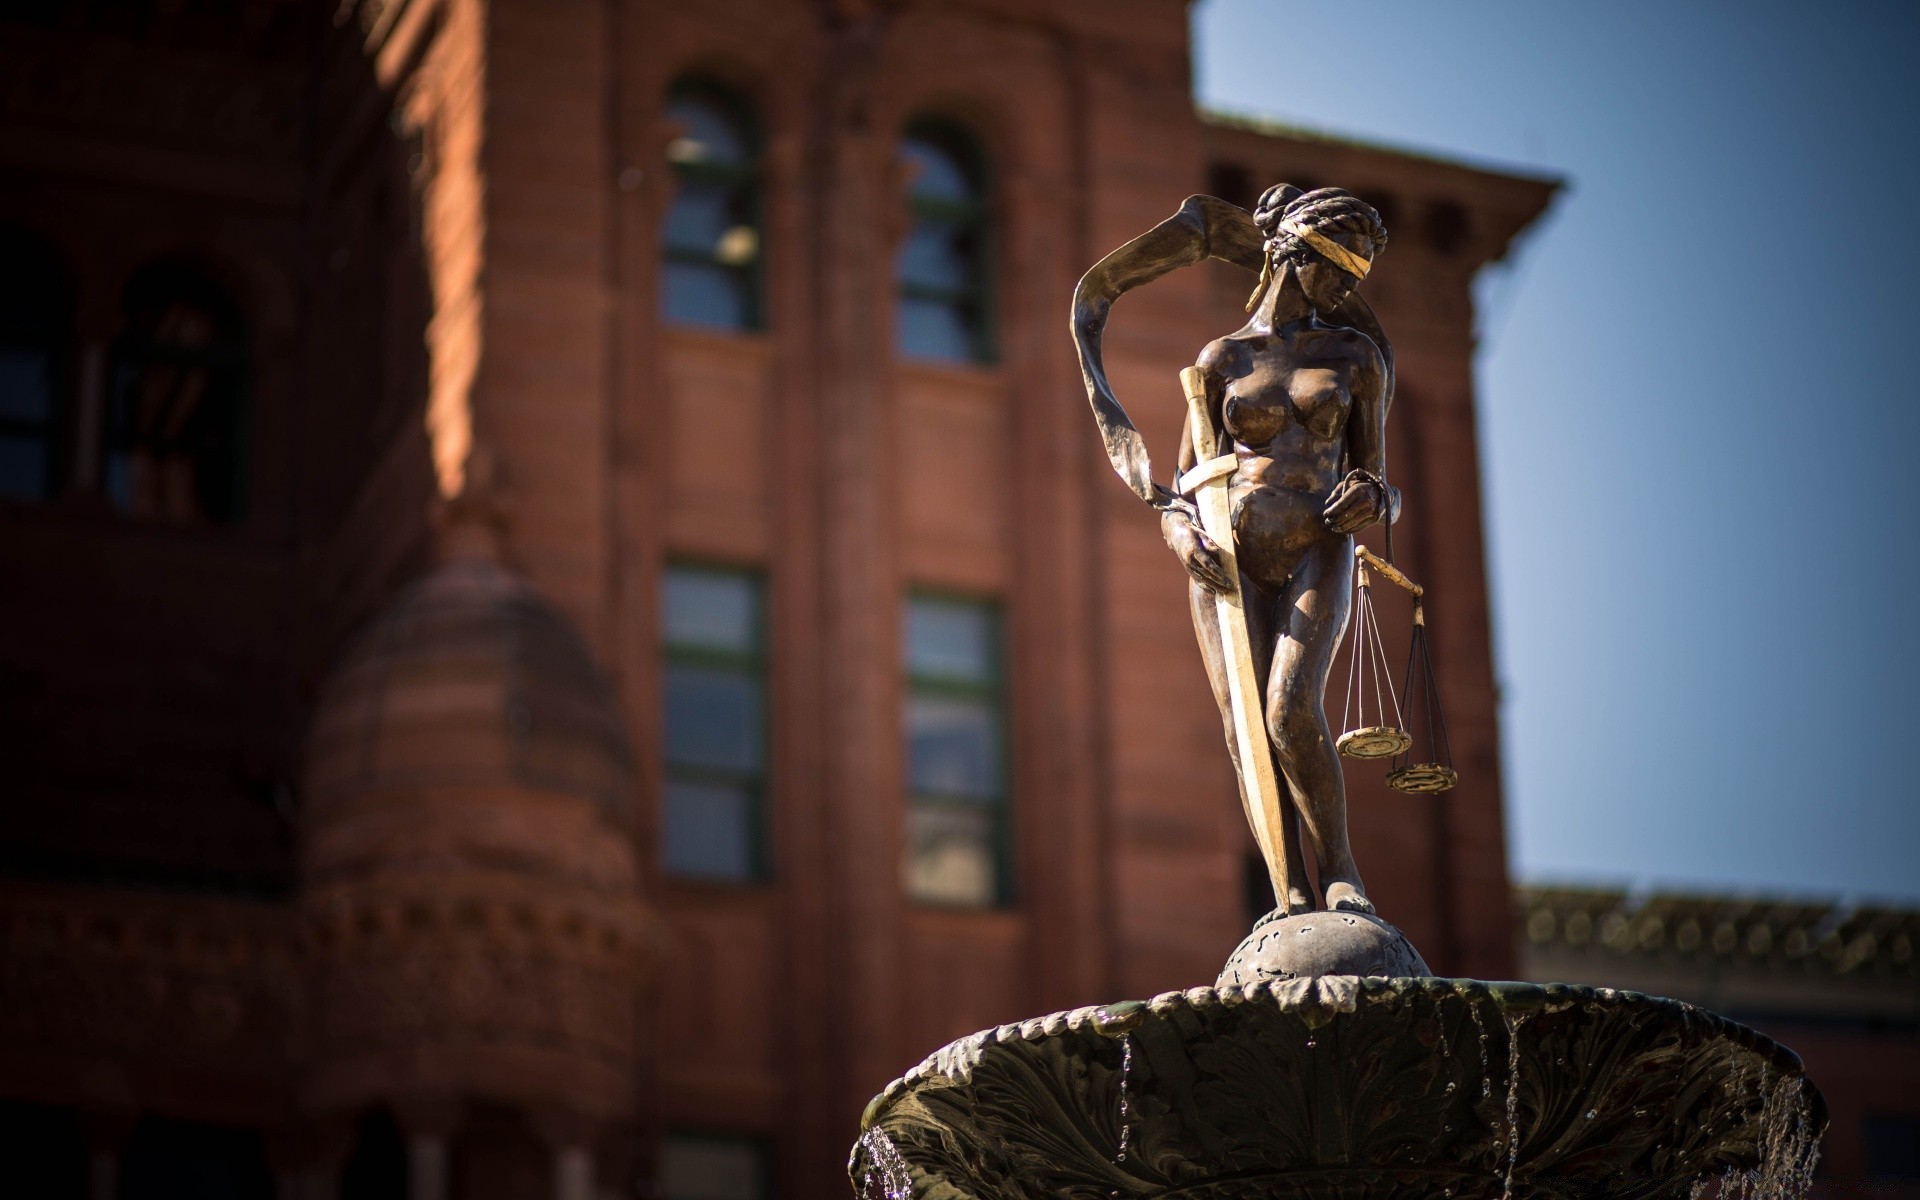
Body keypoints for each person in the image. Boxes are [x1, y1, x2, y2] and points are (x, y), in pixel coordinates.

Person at [1070, 184, 1395, 916]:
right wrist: (1179, 530)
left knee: (1288, 707)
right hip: (1227, 559)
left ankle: (1342, 871)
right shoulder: (1221, 359)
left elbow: (1376, 476)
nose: (1345, 290)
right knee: (1245, 723)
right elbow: (1188, 481)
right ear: (1294, 254)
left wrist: (1376, 498)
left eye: (1355, 278)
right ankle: (1288, 888)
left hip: (1319, 544)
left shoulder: (1356, 357)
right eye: (1338, 270)